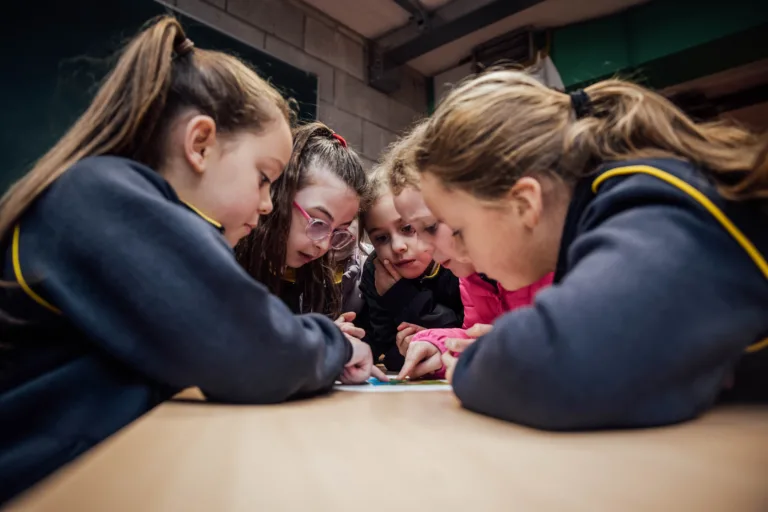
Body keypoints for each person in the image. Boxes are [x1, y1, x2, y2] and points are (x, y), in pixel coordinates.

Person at [0, 17, 383, 502]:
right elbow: (250, 349)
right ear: (200, 144)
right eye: (264, 178)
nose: (268, 205)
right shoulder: (100, 195)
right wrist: (337, 345)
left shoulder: (106, 197)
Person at [413, 68, 768, 430]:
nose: (457, 249)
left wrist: (478, 366)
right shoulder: (618, 202)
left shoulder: (652, 207)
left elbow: (566, 363)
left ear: (524, 203)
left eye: (459, 230)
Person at [380, 122, 553, 379]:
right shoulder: (472, 276)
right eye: (414, 230)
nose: (424, 245)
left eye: (431, 226)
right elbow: (479, 339)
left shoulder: (555, 260)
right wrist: (439, 346)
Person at [236, 122, 367, 323]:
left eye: (338, 232)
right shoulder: (225, 253)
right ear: (279, 195)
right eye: (319, 223)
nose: (324, 246)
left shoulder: (316, 281)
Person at [359, 169, 463, 371]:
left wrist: (401, 296)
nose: (398, 246)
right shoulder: (375, 272)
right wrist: (406, 348)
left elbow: (465, 333)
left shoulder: (456, 260)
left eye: (407, 228)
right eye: (381, 238)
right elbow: (386, 351)